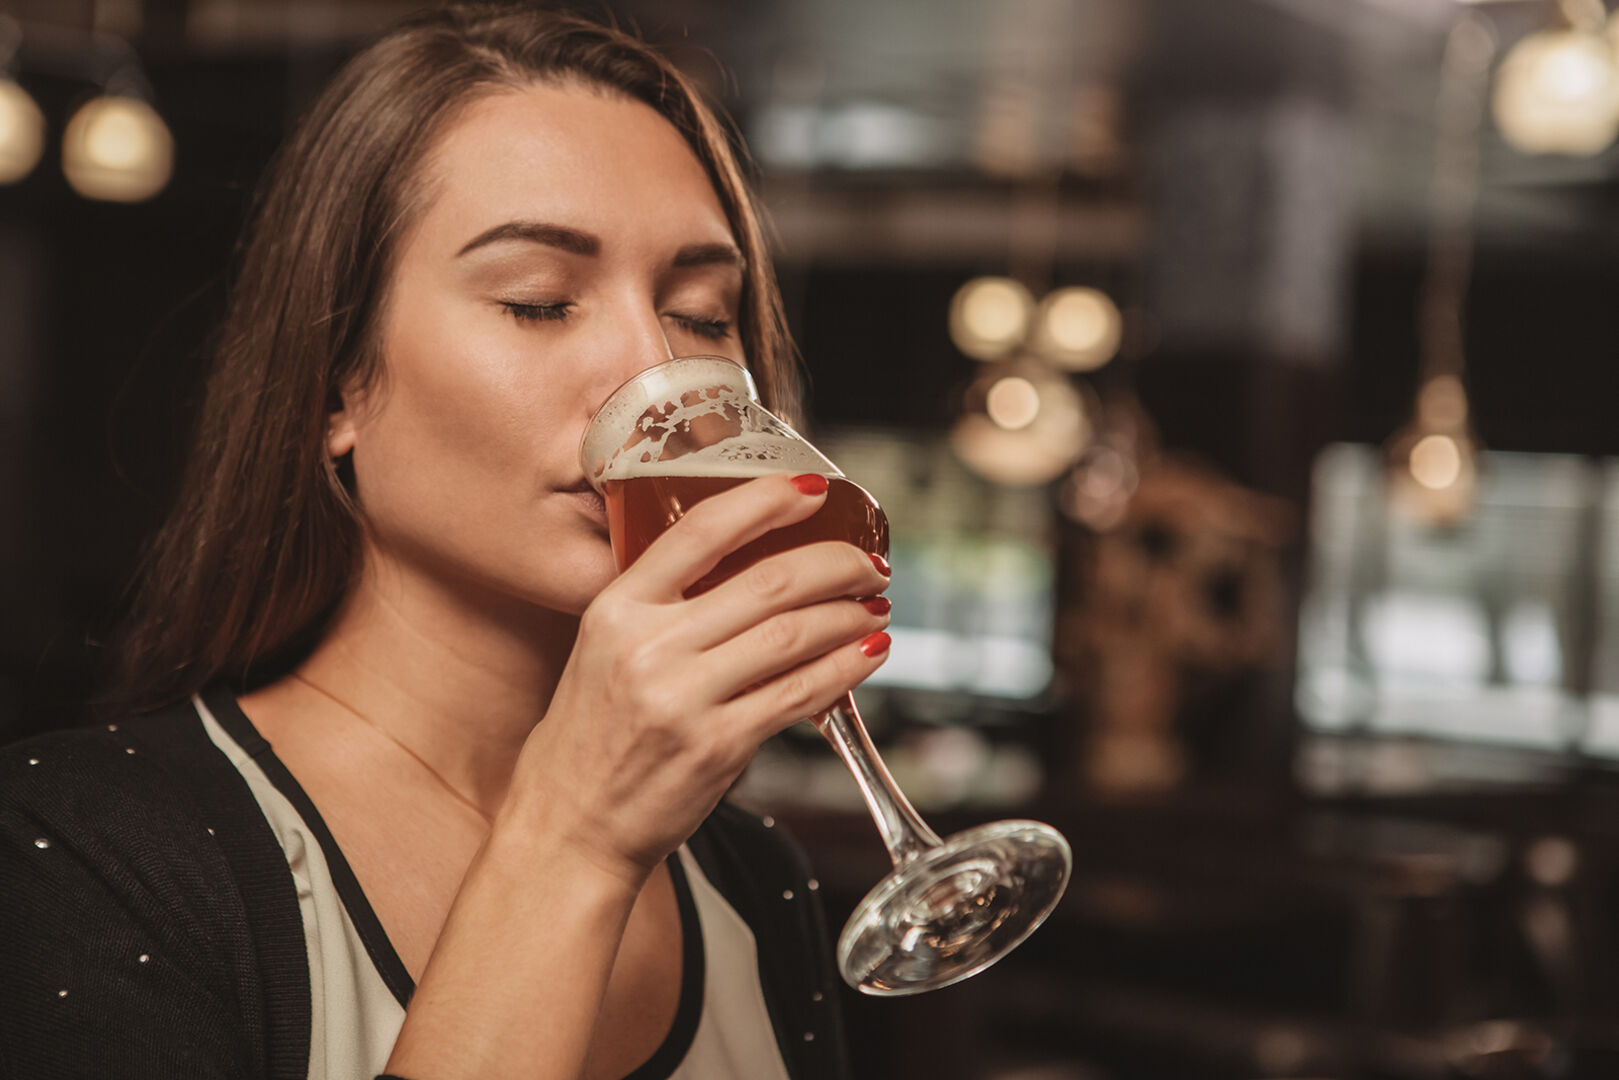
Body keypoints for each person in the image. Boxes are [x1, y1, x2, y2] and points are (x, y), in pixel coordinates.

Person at [0, 5, 894, 1079]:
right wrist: (571, 844)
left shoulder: (752, 881)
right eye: (539, 302)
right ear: (337, 386)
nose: (652, 376)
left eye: (701, 315)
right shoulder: (86, 854)